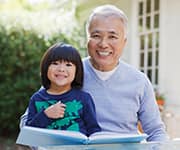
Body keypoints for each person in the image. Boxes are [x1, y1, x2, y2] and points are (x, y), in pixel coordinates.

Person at [20, 4, 169, 142]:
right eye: (96, 35)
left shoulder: (139, 81)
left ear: (124, 41)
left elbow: (156, 131)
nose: (103, 44)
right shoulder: (67, 73)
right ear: (87, 40)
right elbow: (27, 124)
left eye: (112, 36)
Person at [25, 42, 101, 136]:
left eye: (68, 65)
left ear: (77, 71)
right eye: (55, 63)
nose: (61, 69)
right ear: (46, 68)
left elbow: (94, 130)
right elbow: (28, 134)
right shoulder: (37, 99)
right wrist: (45, 115)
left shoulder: (84, 98)